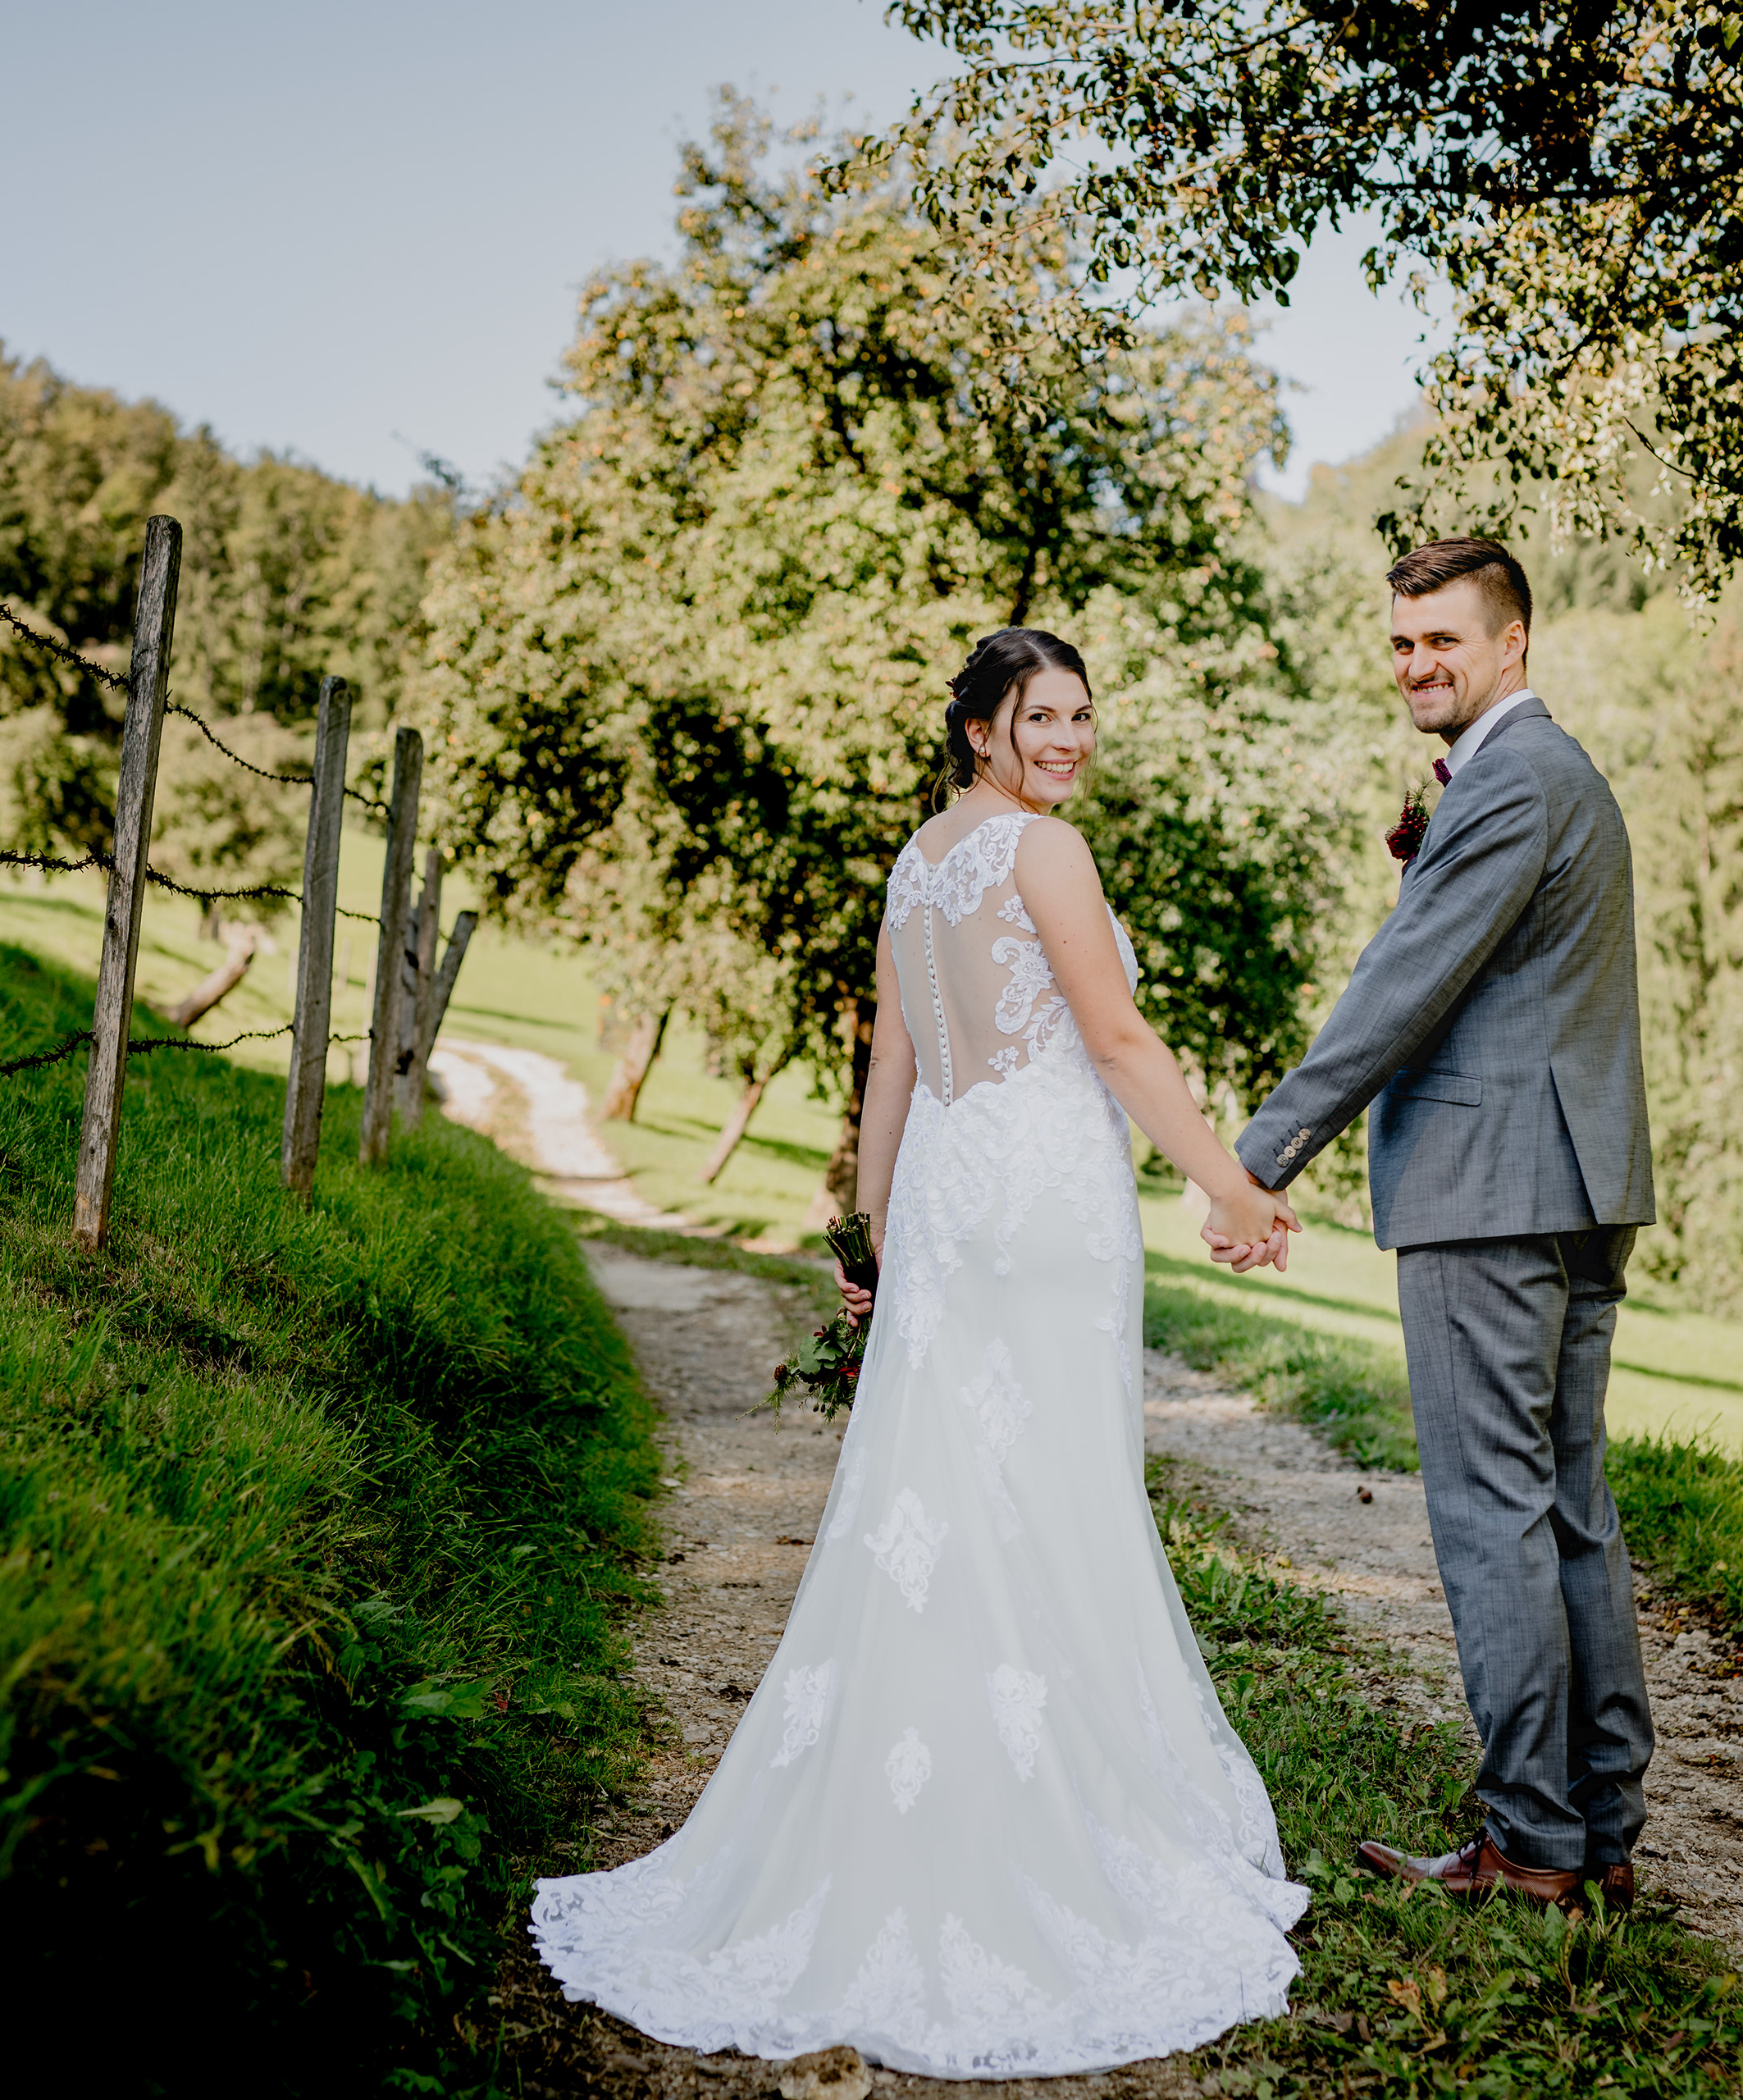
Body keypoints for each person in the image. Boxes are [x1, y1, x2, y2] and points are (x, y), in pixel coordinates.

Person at [530, 629, 1310, 2077]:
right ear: (979, 731)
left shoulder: (917, 862)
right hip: (1044, 1204)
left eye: (1081, 715)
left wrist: (868, 1231)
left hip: (954, 1202)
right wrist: (1230, 1185)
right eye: (1041, 717)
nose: (1069, 740)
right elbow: (1119, 1041)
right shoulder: (1045, 852)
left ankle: (938, 1772)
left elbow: (891, 1065)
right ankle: (1046, 1813)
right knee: (1051, 1494)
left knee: (940, 1493)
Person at [1210, 536, 1655, 1915]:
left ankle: (1533, 1842)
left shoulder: (1513, 780)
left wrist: (1258, 1156)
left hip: (1491, 1193)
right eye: (1402, 641)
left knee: (1493, 1515)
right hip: (1570, 1187)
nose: (1416, 664)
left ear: (1513, 640)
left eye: (1443, 639)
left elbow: (1404, 985)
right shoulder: (1559, 774)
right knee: (1566, 1508)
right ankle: (1597, 1826)